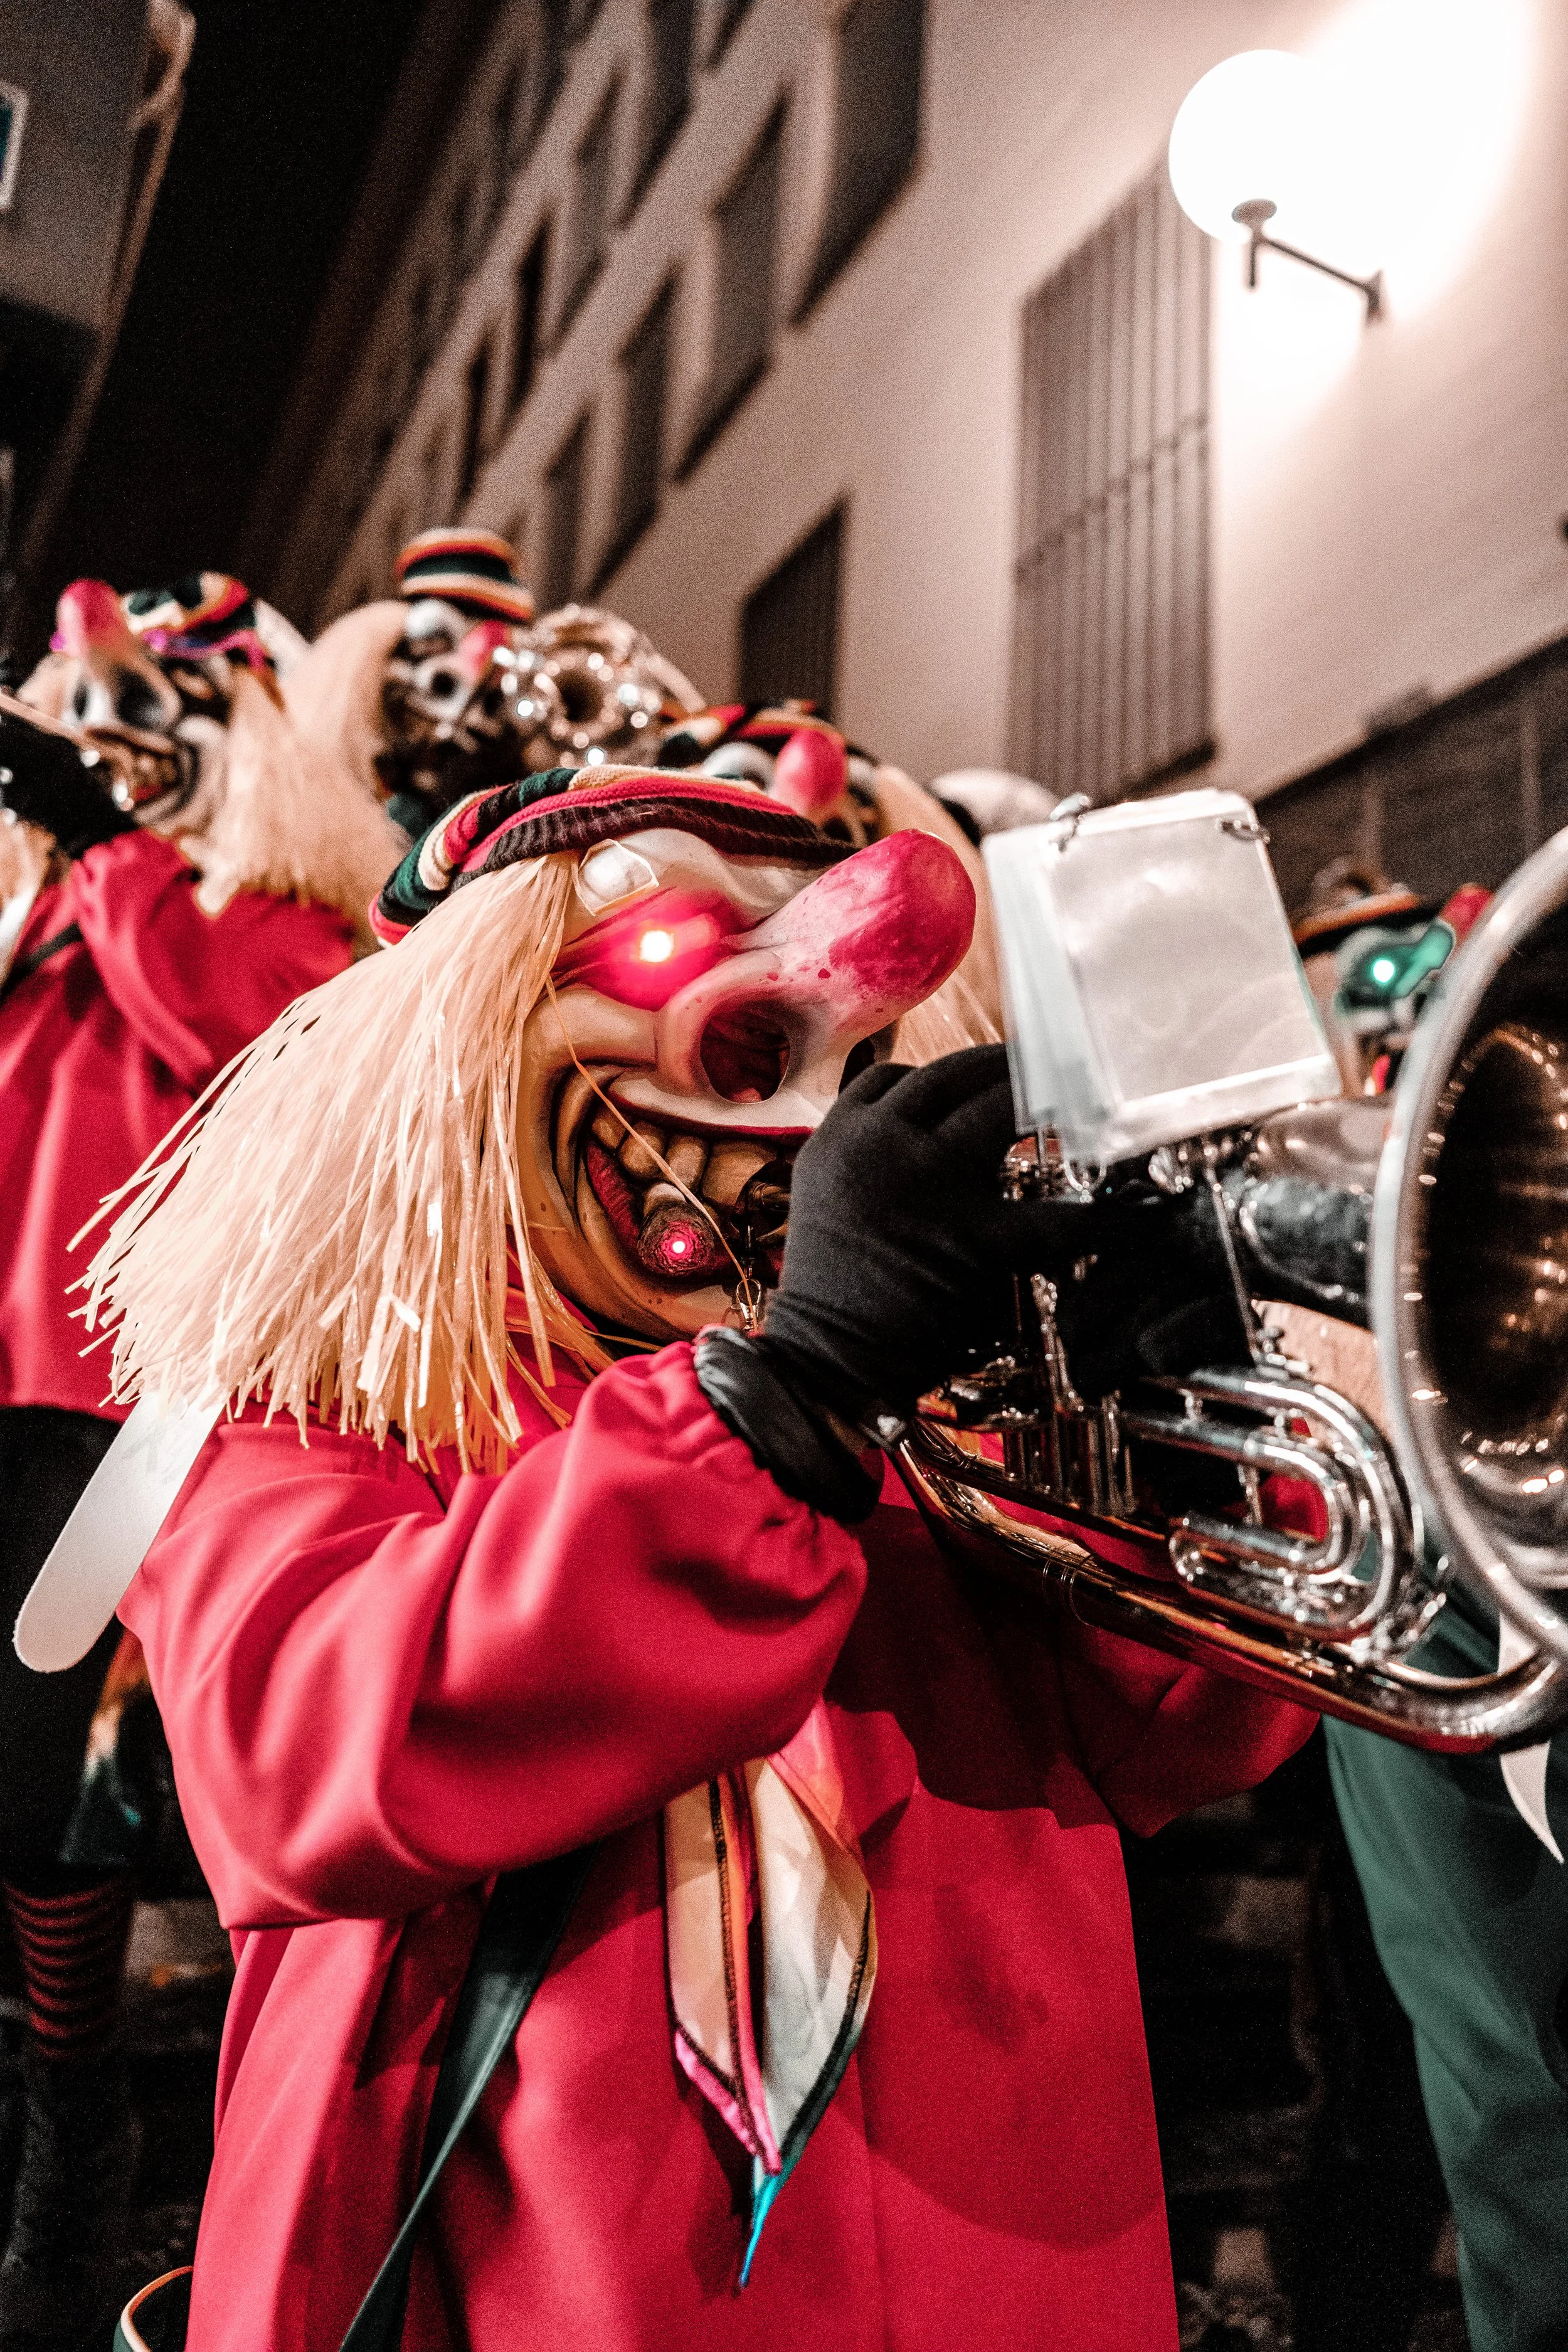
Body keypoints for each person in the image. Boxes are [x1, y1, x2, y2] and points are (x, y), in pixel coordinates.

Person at [60, 766, 1311, 2349]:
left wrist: (1176, 1425)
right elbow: (303, 1756)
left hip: (1007, 2255)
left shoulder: (920, 1391)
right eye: (741, 1043)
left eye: (851, 1070)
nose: (804, 1127)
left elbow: (1179, 1738)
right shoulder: (306, 1402)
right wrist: (781, 1403)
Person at [0, 571, 402, 2351]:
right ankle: (67, 2103)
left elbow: (243, 1045)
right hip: (11, 1393)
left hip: (156, 1415)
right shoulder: (42, 912)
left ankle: (92, 2138)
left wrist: (106, 847)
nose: (108, 748)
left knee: (64, 1784)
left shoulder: (282, 917)